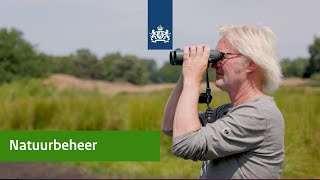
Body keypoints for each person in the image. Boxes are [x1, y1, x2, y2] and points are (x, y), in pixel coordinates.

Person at [161, 25, 285, 179]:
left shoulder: (258, 114)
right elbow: (171, 127)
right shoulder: (227, 111)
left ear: (251, 63)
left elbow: (185, 144)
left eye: (223, 56)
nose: (214, 64)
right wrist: (186, 75)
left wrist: (193, 77)